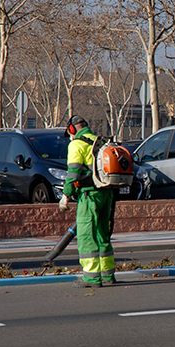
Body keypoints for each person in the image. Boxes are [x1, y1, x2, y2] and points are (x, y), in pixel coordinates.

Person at [59, 115, 116, 288]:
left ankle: (91, 278)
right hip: (107, 194)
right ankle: (108, 275)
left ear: (72, 129)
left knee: (86, 236)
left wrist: (65, 196)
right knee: (103, 235)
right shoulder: (101, 141)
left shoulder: (76, 144)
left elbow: (73, 173)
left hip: (89, 196)